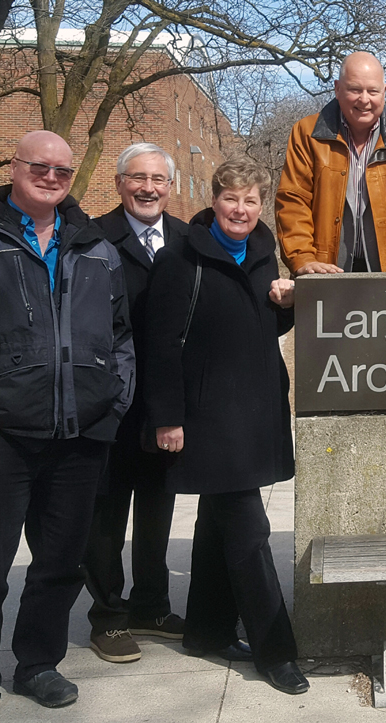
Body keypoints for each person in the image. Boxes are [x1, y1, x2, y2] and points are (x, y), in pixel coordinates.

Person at [0, 131, 134, 723]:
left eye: (62, 170)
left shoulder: (95, 247)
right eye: (38, 166)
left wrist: (112, 406)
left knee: (60, 565)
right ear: (14, 168)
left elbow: (121, 338)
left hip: (79, 437)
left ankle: (38, 664)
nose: (50, 176)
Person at [143, 157, 308, 695]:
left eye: (251, 200)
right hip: (208, 417)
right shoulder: (180, 259)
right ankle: (276, 650)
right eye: (231, 198)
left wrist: (287, 305)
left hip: (257, 409)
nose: (240, 209)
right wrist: (167, 418)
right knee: (249, 533)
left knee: (219, 520)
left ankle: (206, 632)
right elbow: (161, 346)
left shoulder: (264, 252)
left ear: (261, 205)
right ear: (214, 200)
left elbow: (256, 323)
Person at [82, 143, 188, 664]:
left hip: (164, 402)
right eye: (137, 178)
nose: (148, 188)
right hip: (107, 402)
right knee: (105, 514)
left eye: (158, 180)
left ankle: (151, 605)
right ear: (119, 182)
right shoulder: (92, 237)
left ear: (170, 186)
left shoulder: (190, 241)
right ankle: (108, 616)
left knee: (157, 507)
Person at [276, 51, 386, 274]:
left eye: (373, 91)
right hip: (323, 273)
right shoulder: (306, 134)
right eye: (355, 90)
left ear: (384, 92)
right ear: (337, 89)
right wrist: (303, 259)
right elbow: (293, 201)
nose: (364, 99)